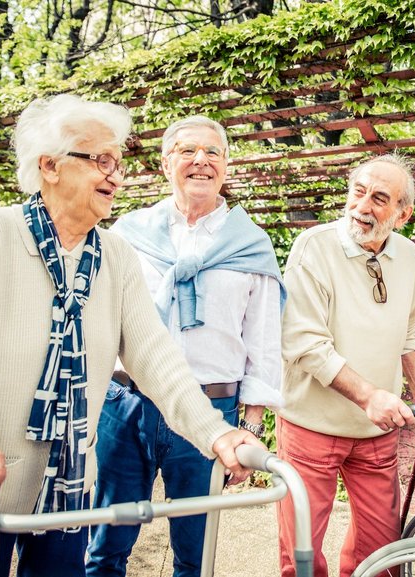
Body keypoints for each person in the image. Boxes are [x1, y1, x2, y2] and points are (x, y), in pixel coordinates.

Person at [0, 94, 261, 577]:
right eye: (101, 160)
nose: (117, 175)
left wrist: (215, 433)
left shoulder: (113, 255)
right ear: (50, 166)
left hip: (67, 496)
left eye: (119, 161)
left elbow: (156, 359)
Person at [86, 116, 285, 577]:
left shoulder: (251, 246)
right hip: (126, 402)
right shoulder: (126, 235)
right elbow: (98, 321)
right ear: (165, 163)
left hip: (211, 409)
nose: (201, 161)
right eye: (187, 151)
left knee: (197, 550)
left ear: (227, 166)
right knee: (104, 541)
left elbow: (263, 342)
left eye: (213, 153)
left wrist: (250, 428)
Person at [276, 154, 415, 577]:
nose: (362, 206)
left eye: (379, 198)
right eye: (358, 192)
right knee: (301, 555)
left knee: (382, 553)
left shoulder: (410, 255)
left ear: (403, 214)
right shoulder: (315, 245)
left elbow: (409, 331)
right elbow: (305, 342)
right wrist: (369, 396)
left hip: (375, 431)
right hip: (311, 425)